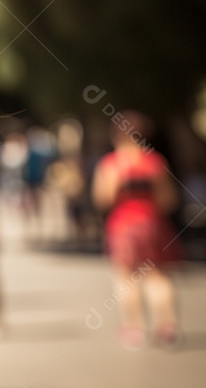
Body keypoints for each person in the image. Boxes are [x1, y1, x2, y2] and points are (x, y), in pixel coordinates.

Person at [92, 111, 182, 349]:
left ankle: (134, 328)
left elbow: (104, 198)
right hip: (152, 222)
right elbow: (169, 199)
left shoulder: (111, 164)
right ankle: (167, 325)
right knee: (157, 275)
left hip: (123, 224)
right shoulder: (155, 162)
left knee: (126, 278)